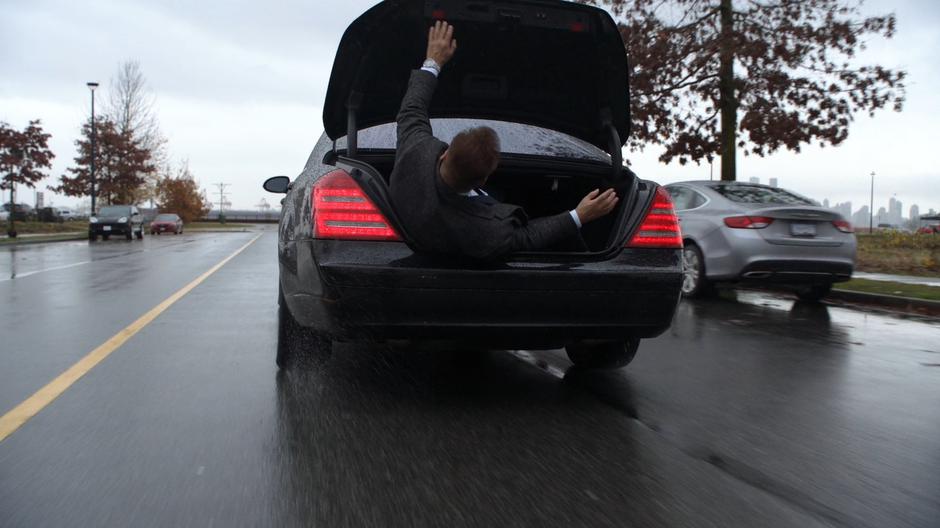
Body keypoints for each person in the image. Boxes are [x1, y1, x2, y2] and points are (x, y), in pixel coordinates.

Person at [389, 20, 619, 261]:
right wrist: (580, 215)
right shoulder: (490, 230)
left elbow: (411, 109)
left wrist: (433, 60)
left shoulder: (413, 154)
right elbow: (529, 236)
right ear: (486, 179)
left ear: (445, 154)